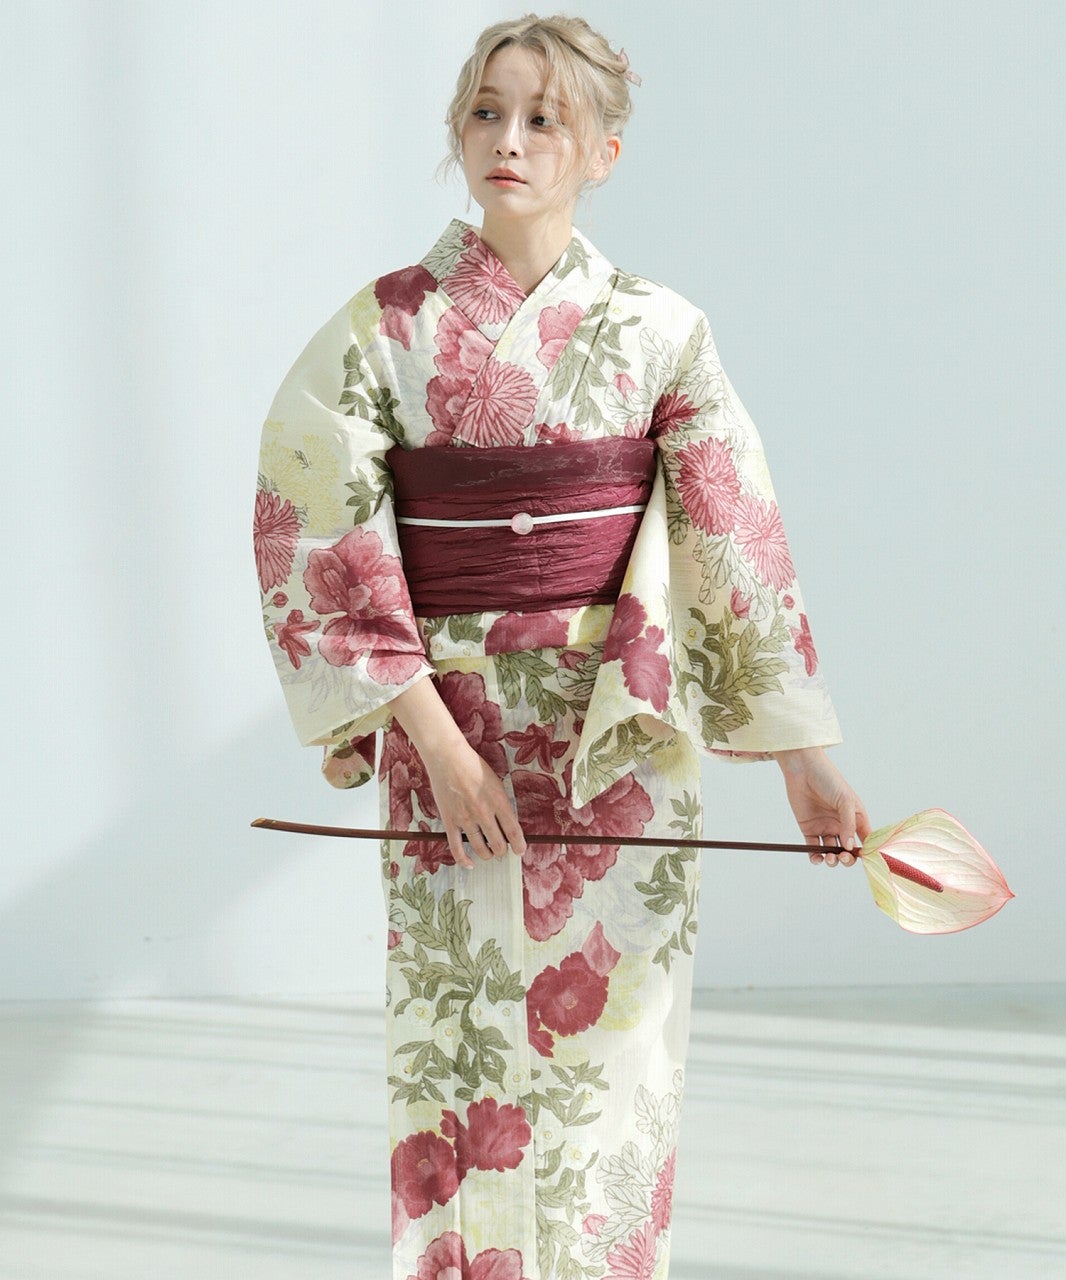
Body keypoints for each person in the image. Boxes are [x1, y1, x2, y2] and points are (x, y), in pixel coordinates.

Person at [253, 13, 870, 1279]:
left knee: (616, 1056)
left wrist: (804, 760)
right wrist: (435, 744)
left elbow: (732, 536)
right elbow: (317, 522)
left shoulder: (659, 331)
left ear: (604, 151)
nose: (511, 139)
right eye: (487, 112)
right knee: (458, 1040)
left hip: (621, 735)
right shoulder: (382, 331)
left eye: (545, 118)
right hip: (450, 726)